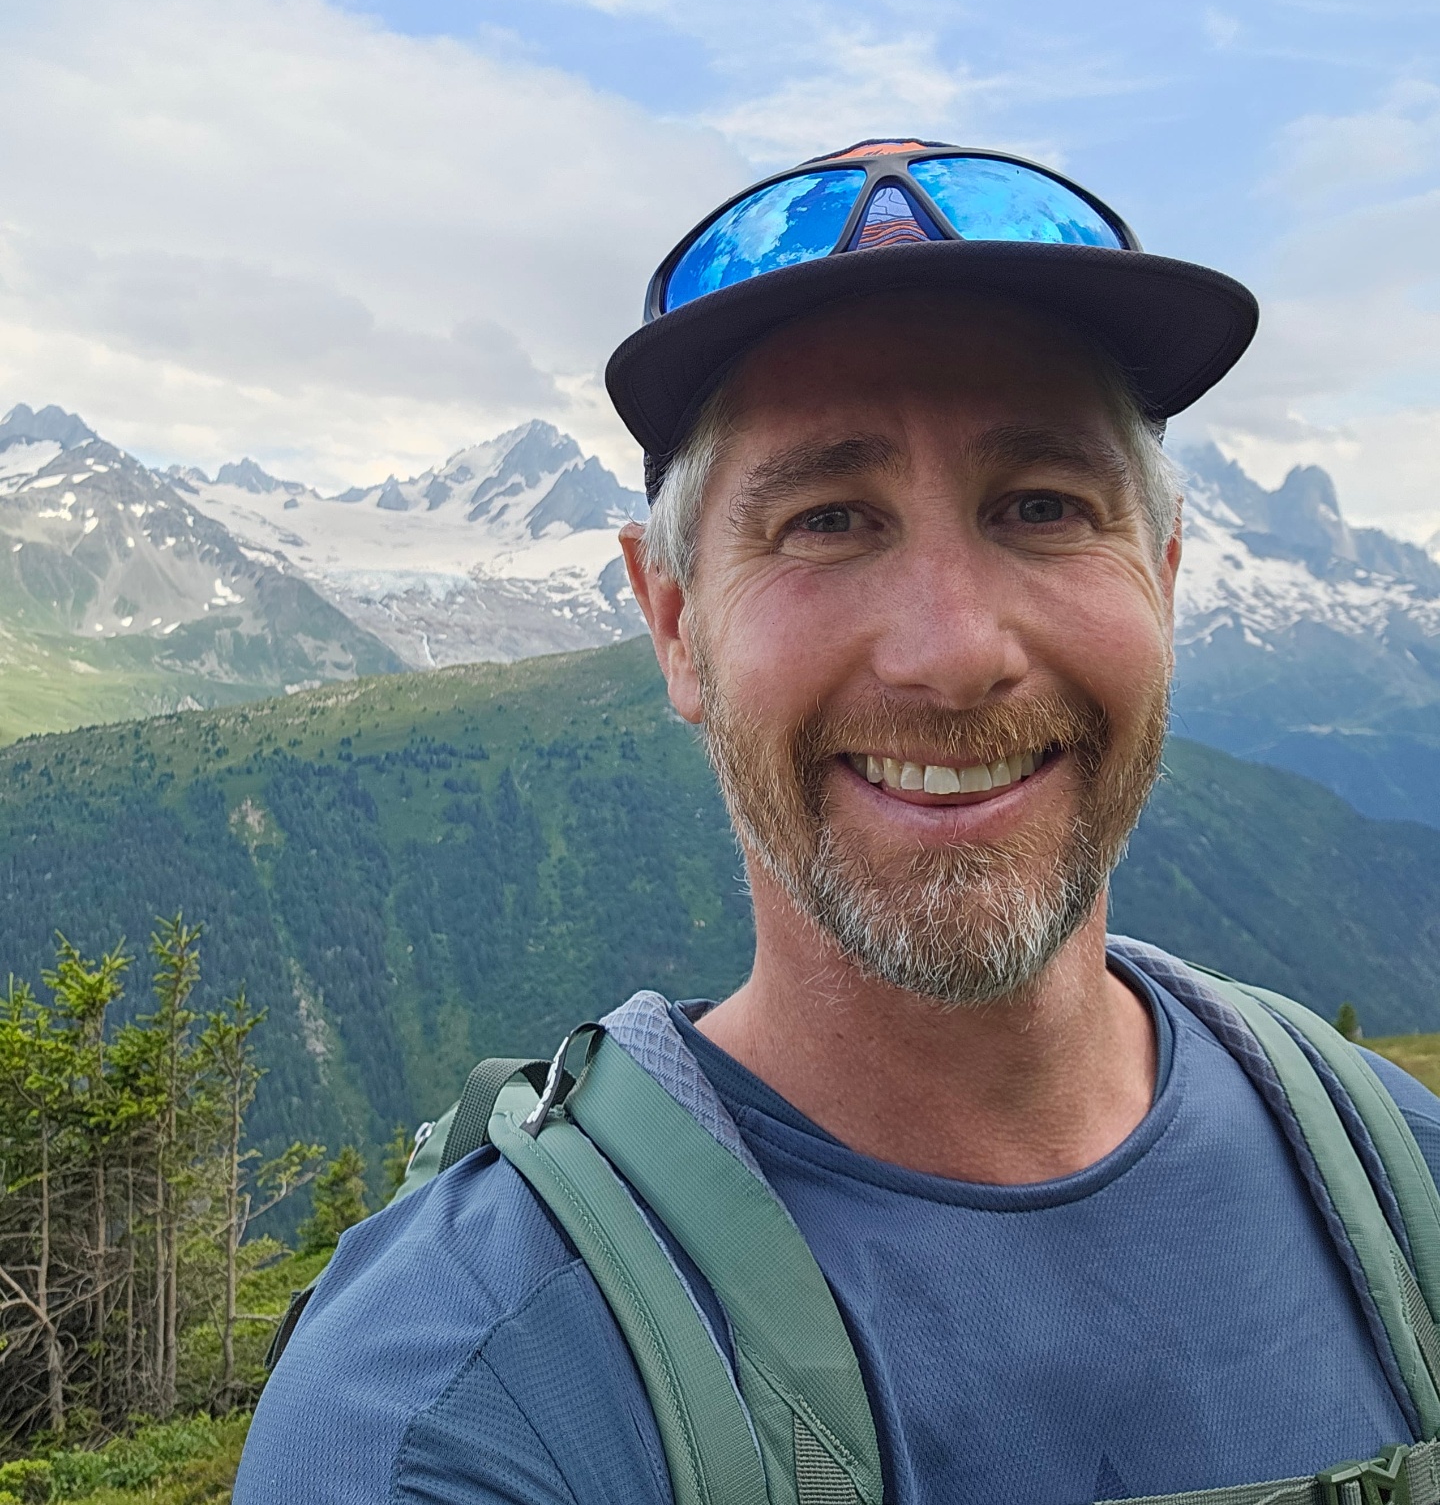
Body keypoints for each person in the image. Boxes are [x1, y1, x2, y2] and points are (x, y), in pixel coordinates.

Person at [235, 141, 1440, 1504]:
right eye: (825, 521)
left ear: (1162, 577)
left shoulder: (1401, 1186)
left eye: (1043, 507)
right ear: (675, 622)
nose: (952, 650)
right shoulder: (453, 1406)